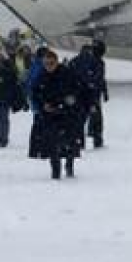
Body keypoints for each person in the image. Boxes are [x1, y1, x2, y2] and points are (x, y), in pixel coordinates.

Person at [30, 50, 83, 180]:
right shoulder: (41, 76)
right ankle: (55, 169)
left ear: (56, 62)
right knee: (52, 143)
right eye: (46, 64)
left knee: (69, 142)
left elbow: (77, 89)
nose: (49, 66)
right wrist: (43, 106)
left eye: (51, 63)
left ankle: (69, 164)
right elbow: (35, 94)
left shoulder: (67, 74)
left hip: (67, 114)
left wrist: (71, 100)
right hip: (49, 115)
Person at [68, 41, 108, 149]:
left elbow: (68, 78)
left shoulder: (74, 61)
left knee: (79, 119)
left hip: (78, 94)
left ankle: (79, 142)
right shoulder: (97, 62)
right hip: (92, 94)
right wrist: (103, 91)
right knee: (96, 117)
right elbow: (100, 79)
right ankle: (97, 139)